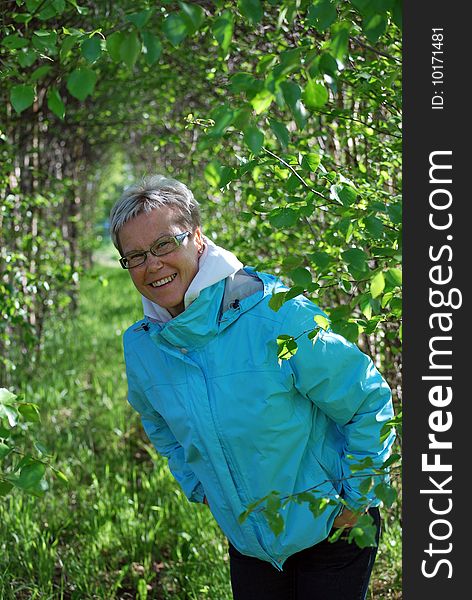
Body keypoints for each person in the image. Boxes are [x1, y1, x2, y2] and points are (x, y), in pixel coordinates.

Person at [109, 175, 395, 600]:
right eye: (134, 256)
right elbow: (160, 426)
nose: (152, 265)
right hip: (250, 543)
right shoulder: (143, 347)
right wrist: (204, 489)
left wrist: (354, 503)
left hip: (333, 529)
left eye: (165, 244)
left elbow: (367, 399)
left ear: (198, 238)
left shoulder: (278, 314)